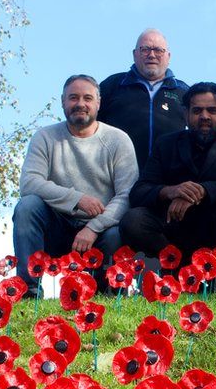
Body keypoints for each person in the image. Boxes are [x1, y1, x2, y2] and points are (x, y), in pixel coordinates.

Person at [120, 82, 216, 290]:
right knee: (134, 220)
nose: (204, 116)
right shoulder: (166, 143)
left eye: (212, 110)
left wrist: (201, 191)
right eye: (197, 110)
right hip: (176, 229)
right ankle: (176, 278)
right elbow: (139, 191)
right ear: (185, 114)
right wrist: (171, 191)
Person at [13, 75, 138, 295]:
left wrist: (92, 227)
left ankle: (108, 292)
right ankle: (28, 290)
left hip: (100, 232)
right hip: (57, 227)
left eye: (87, 98)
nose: (80, 104)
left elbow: (127, 195)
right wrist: (77, 199)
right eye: (73, 98)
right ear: (63, 102)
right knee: (27, 206)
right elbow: (29, 183)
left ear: (98, 103)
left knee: (117, 233)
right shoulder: (45, 137)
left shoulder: (118, 140)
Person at [98, 28, 189, 169]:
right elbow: (89, 124)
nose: (151, 55)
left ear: (168, 57)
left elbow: (208, 125)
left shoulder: (184, 92)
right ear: (134, 54)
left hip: (168, 181)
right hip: (117, 176)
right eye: (145, 49)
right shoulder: (112, 85)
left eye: (158, 50)